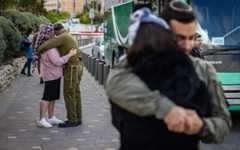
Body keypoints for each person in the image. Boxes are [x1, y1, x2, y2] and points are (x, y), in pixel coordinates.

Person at [105, 2, 231, 149]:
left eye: (192, 38)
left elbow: (223, 123)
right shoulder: (138, 61)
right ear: (162, 33)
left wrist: (201, 126)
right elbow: (114, 83)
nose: (187, 46)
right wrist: (166, 109)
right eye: (180, 38)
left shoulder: (202, 69)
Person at [37, 23, 83, 128]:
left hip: (72, 68)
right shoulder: (68, 35)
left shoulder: (62, 37)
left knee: (69, 93)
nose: (54, 35)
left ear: (56, 31)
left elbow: (43, 47)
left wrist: (39, 48)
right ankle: (77, 118)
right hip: (77, 66)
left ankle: (72, 120)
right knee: (75, 92)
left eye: (54, 33)